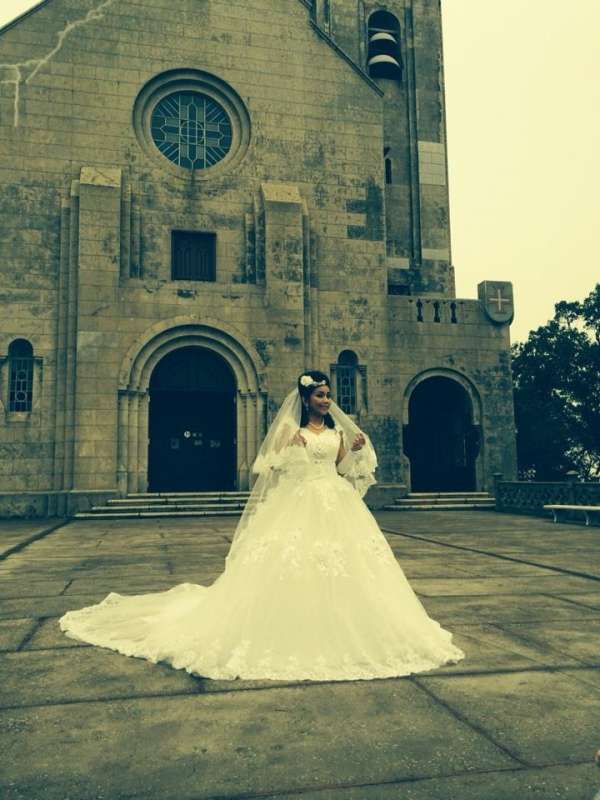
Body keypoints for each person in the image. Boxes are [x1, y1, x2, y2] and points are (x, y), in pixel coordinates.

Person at [59, 370, 464, 681]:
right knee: (294, 562)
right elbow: (274, 472)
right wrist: (293, 454)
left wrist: (354, 451)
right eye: (320, 395)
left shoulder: (338, 432)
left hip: (335, 501)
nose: (326, 400)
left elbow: (342, 469)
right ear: (305, 399)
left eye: (328, 395)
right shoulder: (292, 433)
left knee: (348, 564)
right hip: (303, 501)